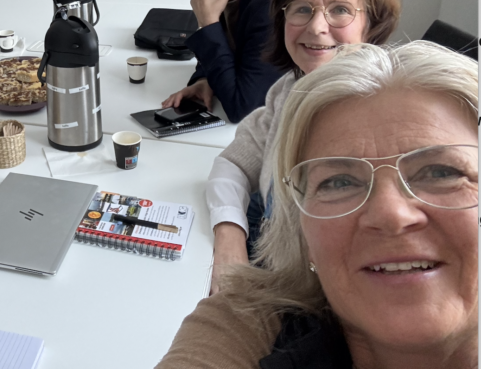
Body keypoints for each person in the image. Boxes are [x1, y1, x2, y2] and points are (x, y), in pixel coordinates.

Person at [156, 42, 478, 369]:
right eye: (339, 182)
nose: (390, 214)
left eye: (442, 172)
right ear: (302, 230)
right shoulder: (245, 325)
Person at [207, 0, 401, 294]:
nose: (316, 27)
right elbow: (233, 162)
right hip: (270, 262)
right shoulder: (291, 88)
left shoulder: (382, 117)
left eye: (340, 10)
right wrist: (229, 235)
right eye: (302, 9)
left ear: (370, 25)